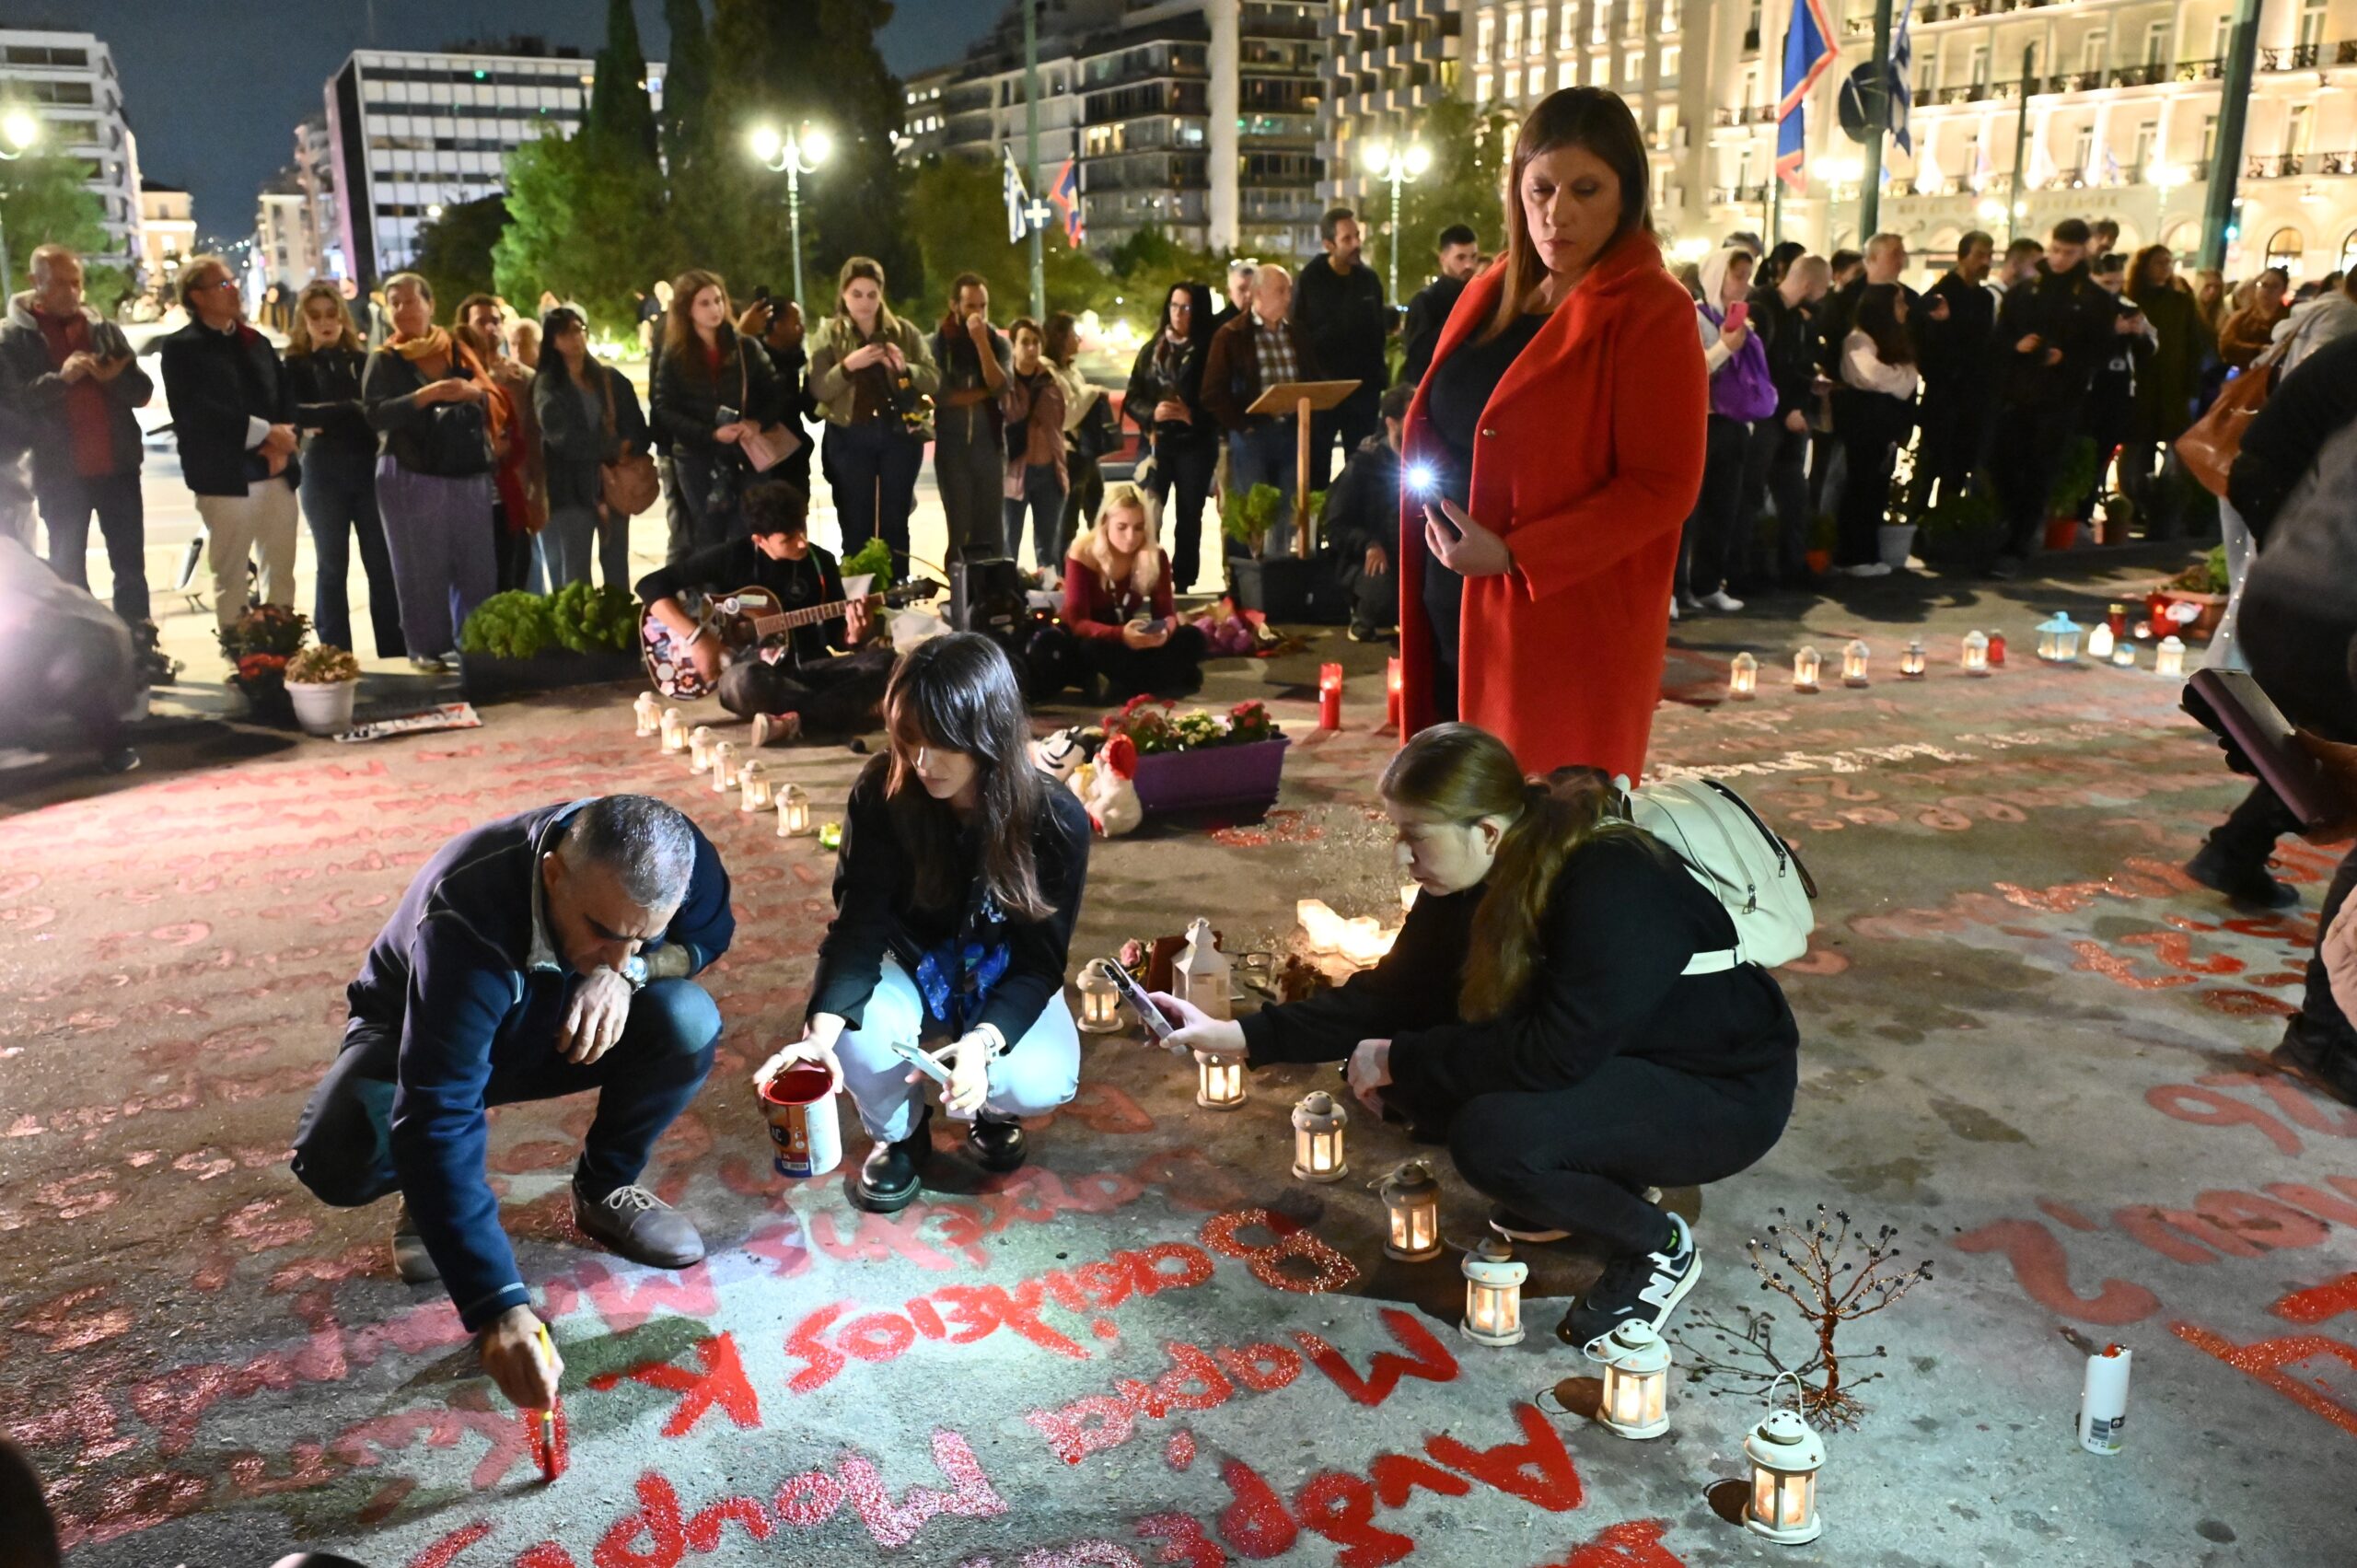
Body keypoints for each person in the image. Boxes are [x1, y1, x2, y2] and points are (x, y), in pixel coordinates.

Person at [1152, 725, 1796, 1343]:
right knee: (1429, 1081)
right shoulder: (1474, 872)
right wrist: (1238, 1034)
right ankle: (1595, 1170)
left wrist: (1404, 1058)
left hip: (1721, 1090)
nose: (1403, 859)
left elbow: (1552, 1053)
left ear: (1486, 829)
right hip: (1622, 1054)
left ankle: (1657, 1243)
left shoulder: (1610, 880)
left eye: (1416, 837)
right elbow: (1392, 994)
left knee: (1493, 1138)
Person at [291, 795, 729, 1415]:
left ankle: (606, 1186)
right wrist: (498, 1305)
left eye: (643, 937)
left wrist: (626, 976)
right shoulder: (465, 916)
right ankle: (427, 1191)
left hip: (553, 1017)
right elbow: (439, 1107)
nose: (621, 953)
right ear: (553, 873)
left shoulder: (683, 860)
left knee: (687, 1018)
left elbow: (712, 935)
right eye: (604, 932)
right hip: (419, 1030)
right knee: (341, 1152)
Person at [1399, 87, 1706, 779]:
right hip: (1456, 598)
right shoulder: (1495, 284)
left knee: (1541, 833)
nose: (1556, 212)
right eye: (1540, 188)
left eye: (1586, 189)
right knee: (1458, 821)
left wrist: (1514, 555)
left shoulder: (1654, 309)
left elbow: (1663, 486)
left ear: (1626, 196)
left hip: (1561, 621)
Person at [754, 633, 1089, 1213]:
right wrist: (818, 1039)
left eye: (942, 745)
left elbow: (1040, 964)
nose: (922, 764)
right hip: (909, 962)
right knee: (855, 1035)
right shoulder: (886, 790)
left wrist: (985, 1046)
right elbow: (859, 926)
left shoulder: (1053, 818)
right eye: (909, 742)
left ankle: (992, 1109)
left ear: (989, 735)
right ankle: (900, 1133)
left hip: (1001, 972)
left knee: (1041, 1079)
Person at [2186, 331, 2357, 908]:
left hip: (2285, 592)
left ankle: (2233, 852)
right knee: (2335, 739)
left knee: (2328, 739)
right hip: (2327, 607)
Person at [635, 480, 892, 743]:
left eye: (802, 528)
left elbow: (837, 635)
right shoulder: (733, 557)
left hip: (810, 669)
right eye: (788, 539)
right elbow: (649, 585)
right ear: (760, 539)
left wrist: (855, 635)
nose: (802, 543)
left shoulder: (820, 562)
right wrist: (697, 637)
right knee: (741, 683)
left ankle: (796, 720)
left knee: (888, 662)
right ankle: (839, 712)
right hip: (759, 677)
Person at [0, 244, 152, 631]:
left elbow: (142, 391)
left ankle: (140, 647)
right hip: (60, 473)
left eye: (76, 283)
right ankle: (84, 652)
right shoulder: (13, 339)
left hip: (117, 468)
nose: (71, 292)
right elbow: (13, 405)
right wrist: (60, 380)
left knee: (130, 566)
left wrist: (112, 378)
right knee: (69, 567)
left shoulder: (101, 330)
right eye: (60, 284)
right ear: (35, 283)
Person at [362, 272, 500, 672]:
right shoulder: (384, 358)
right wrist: (423, 397)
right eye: (395, 303)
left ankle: (476, 642)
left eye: (411, 300)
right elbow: (374, 413)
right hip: (410, 471)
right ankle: (426, 647)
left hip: (466, 468)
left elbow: (492, 394)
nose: (404, 309)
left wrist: (471, 392)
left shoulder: (456, 350)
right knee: (419, 567)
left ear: (430, 304)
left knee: (476, 565)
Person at [160, 255, 303, 635]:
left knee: (281, 571)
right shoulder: (182, 348)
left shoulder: (255, 341)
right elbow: (198, 412)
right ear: (197, 296)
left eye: (233, 281)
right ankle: (244, 662)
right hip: (224, 478)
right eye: (223, 285)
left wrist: (284, 442)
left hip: (276, 472)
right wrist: (264, 433)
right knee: (232, 576)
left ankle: (283, 650)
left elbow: (284, 393)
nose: (235, 289)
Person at [1987, 219, 2122, 577]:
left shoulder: (2093, 299)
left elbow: (2101, 350)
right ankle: (2008, 528)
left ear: (2083, 252)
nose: (2060, 259)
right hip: (2017, 394)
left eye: (2069, 253)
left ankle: (2016, 544)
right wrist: (2017, 346)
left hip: (2059, 400)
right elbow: (2000, 339)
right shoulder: (2026, 291)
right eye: (2057, 250)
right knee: (2002, 462)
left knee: (2037, 471)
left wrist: (2066, 358)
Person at [284, 280, 404, 657]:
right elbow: (295, 413)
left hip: (367, 467)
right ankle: (335, 654)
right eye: (316, 316)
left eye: (332, 314)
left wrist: (338, 413)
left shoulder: (363, 359)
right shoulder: (295, 365)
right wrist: (349, 409)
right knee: (332, 565)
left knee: (381, 564)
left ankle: (394, 649)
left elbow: (377, 412)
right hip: (322, 471)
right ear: (303, 320)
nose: (325, 323)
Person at [807, 256, 937, 578]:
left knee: (896, 518)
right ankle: (858, 598)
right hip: (849, 434)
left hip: (898, 433)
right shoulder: (830, 334)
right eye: (856, 294)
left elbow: (933, 379)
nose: (864, 303)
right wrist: (850, 365)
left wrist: (905, 368)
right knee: (855, 520)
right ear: (843, 295)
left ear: (881, 295)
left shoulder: (902, 331)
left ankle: (898, 591)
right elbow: (819, 388)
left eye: (871, 294)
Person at [651, 269, 782, 558]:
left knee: (747, 531)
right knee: (708, 536)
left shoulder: (745, 347)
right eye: (705, 303)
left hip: (744, 454)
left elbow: (777, 394)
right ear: (687, 309)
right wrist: (710, 434)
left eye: (718, 300)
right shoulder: (675, 354)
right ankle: (714, 600)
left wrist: (756, 423)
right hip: (697, 458)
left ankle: (748, 599)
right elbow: (664, 408)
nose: (715, 309)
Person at [1678, 244, 1773, 613]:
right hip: (1700, 422)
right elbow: (1690, 370)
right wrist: (1725, 347)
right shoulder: (1695, 317)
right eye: (1737, 276)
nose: (1744, 285)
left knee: (1724, 504)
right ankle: (1676, 589)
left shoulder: (1736, 322)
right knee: (1690, 510)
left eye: (1748, 277)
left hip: (1732, 422)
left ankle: (1707, 583)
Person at [1203, 263, 1320, 549]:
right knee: (1253, 511)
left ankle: (1278, 570)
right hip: (1252, 435)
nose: (1288, 296)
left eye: (1289, 289)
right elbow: (1211, 392)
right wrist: (1244, 425)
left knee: (1287, 508)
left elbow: (1312, 378)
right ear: (1257, 294)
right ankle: (1249, 577)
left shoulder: (1296, 333)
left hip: (1293, 433)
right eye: (1281, 290)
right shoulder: (1231, 335)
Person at [534, 306, 650, 591]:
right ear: (552, 340)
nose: (575, 338)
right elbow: (562, 438)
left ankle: (619, 628)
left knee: (616, 568)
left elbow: (638, 427)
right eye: (566, 333)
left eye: (579, 330)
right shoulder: (548, 385)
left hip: (614, 485)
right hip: (570, 490)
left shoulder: (610, 379)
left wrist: (628, 444)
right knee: (574, 574)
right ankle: (577, 633)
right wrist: (612, 448)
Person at [1060, 482, 1209, 700]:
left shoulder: (1155, 555)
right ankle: (1160, 679)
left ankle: (1129, 684)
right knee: (1089, 650)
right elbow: (1077, 622)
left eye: (1138, 528)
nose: (1130, 537)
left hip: (1133, 637)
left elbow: (1165, 612)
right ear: (1105, 524)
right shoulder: (1082, 553)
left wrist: (1163, 631)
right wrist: (1121, 635)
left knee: (1193, 638)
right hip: (1099, 637)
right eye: (1122, 527)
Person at [1741, 253, 1830, 592]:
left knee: (1794, 495)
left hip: (1789, 417)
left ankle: (1792, 565)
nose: (1825, 296)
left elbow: (1792, 364)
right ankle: (1745, 570)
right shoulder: (1761, 308)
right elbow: (1763, 366)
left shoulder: (1794, 316)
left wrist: (1811, 382)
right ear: (1809, 284)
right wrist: (1787, 410)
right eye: (1823, 287)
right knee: (1751, 494)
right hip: (1766, 419)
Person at [1123, 282, 1219, 591]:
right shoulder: (1152, 349)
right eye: (1174, 306)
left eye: (1187, 307)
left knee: (1190, 516)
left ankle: (1183, 582)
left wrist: (1191, 415)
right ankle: (1145, 580)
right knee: (1148, 513)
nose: (1179, 314)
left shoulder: (1207, 352)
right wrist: (1153, 412)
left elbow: (1217, 399)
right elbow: (1132, 397)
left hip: (1195, 444)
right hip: (1156, 442)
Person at [1828, 285, 1921, 575]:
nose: (1904, 309)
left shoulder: (1890, 340)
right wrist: (1901, 377)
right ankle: (1852, 555)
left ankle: (1868, 552)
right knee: (1860, 485)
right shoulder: (1858, 340)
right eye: (1898, 304)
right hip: (1862, 425)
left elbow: (1907, 377)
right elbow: (1873, 375)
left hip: (1882, 427)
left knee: (1877, 488)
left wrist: (1901, 377)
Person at [1295, 207, 1389, 490]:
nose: (1356, 244)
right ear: (1328, 244)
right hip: (1324, 392)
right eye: (1347, 239)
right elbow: (1301, 337)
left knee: (1363, 470)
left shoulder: (1368, 279)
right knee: (1317, 473)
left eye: (1357, 236)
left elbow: (1377, 333)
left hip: (1363, 392)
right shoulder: (1310, 281)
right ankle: (1314, 531)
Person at [2121, 244, 2209, 533]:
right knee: (2137, 447)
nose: (2165, 267)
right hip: (2142, 386)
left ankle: (2169, 505)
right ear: (2145, 266)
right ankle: (2133, 503)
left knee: (2176, 449)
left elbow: (2193, 345)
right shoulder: (2132, 299)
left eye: (2169, 262)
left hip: (2172, 387)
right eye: (2159, 262)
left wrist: (2191, 386)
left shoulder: (2180, 302)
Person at [1910, 231, 1997, 512]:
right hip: (1944, 394)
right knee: (1930, 464)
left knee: (1959, 466)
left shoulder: (1984, 298)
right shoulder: (1941, 293)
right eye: (1979, 255)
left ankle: (1944, 521)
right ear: (1962, 256)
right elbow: (1925, 341)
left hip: (1972, 396)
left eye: (1989, 255)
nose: (1986, 261)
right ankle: (1917, 521)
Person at [454, 319, 542, 593]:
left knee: (514, 581)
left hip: (505, 504)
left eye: (473, 353)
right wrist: (487, 451)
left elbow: (518, 445)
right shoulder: (441, 399)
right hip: (465, 510)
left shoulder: (498, 394)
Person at [930, 273, 1013, 564]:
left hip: (988, 446)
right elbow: (943, 395)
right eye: (970, 306)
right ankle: (959, 599)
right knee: (960, 531)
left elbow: (1001, 385)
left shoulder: (997, 343)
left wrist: (981, 342)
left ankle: (989, 598)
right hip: (952, 450)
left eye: (983, 306)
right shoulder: (939, 342)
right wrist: (985, 391)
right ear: (955, 305)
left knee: (990, 530)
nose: (977, 313)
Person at [1323, 381, 1411, 640]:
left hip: (1416, 553)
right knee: (1383, 591)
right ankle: (1363, 616)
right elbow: (1336, 524)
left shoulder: (1428, 459)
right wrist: (1368, 544)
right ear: (1391, 422)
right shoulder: (1364, 464)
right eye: (1412, 416)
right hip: (1373, 556)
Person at [2079, 251, 2155, 529]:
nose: (2113, 288)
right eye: (2107, 282)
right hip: (2088, 392)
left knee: (2103, 454)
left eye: (2118, 282)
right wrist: (2111, 330)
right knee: (2080, 453)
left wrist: (2137, 333)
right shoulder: (2083, 306)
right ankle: (2070, 513)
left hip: (2120, 391)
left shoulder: (2129, 306)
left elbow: (2150, 347)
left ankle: (2085, 512)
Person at [999, 317, 1068, 573]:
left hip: (1049, 472)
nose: (1031, 348)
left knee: (1048, 549)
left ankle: (1049, 599)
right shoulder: (1004, 382)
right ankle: (1007, 598)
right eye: (1024, 342)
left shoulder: (1051, 381)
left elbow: (1061, 422)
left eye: (1036, 342)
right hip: (1014, 473)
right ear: (1013, 347)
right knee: (1008, 546)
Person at [1044, 311, 1109, 572]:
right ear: (1059, 337)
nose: (1079, 339)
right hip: (1068, 454)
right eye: (1073, 334)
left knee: (1100, 511)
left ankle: (1103, 565)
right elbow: (1068, 414)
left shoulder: (1070, 368)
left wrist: (1087, 393)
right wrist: (1093, 391)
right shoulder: (1047, 370)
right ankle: (1062, 572)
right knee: (1067, 519)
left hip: (1086, 453)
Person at [739, 295, 820, 496]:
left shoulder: (792, 362)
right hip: (765, 463)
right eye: (796, 323)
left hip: (794, 461)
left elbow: (812, 413)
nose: (801, 329)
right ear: (776, 326)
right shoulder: (753, 362)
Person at [1399, 225, 1482, 389]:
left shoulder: (1481, 295)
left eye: (1473, 257)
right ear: (1443, 258)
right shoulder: (1425, 302)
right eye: (1460, 258)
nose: (1469, 265)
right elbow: (1417, 359)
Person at [2218, 267, 2291, 370]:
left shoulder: (2290, 317)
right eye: (2263, 285)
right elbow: (2226, 345)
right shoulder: (2242, 317)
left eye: (2274, 286)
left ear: (2283, 290)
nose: (2267, 291)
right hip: (2248, 377)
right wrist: (2258, 350)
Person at [1213, 258, 1256, 332]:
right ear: (1229, 292)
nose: (1249, 294)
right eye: (1242, 289)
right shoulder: (1219, 328)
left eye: (1253, 288)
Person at [637, 279, 672, 360]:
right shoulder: (652, 304)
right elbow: (646, 320)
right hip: (657, 336)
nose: (659, 293)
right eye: (657, 290)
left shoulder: (674, 305)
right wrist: (645, 335)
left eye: (661, 290)